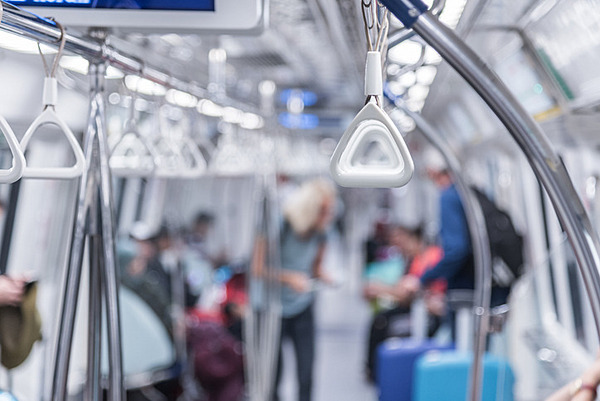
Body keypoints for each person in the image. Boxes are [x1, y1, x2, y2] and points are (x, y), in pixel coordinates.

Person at [397, 149, 509, 334]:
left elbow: (456, 248)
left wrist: (422, 279)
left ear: (434, 171)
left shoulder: (448, 197)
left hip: (464, 289)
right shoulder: (469, 192)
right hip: (487, 284)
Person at [272, 178, 337, 401]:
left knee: (306, 371)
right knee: (273, 374)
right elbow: (258, 267)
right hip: (275, 307)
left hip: (303, 306)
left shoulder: (321, 233)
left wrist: (326, 276)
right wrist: (288, 278)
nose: (326, 216)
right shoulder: (282, 225)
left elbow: (316, 268)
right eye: (323, 211)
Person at [362, 224, 445, 382]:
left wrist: (380, 290)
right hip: (416, 308)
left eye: (403, 241)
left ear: (415, 240)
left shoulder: (430, 258)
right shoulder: (413, 261)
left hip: (429, 314)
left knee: (383, 322)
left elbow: (409, 293)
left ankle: (376, 373)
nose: (400, 246)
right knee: (380, 318)